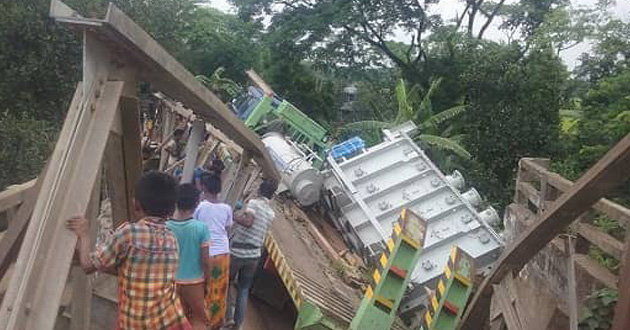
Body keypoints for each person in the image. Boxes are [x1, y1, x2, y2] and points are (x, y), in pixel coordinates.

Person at [66, 171, 191, 330]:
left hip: (135, 324)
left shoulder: (128, 233)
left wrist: (84, 235)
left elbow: (88, 265)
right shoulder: (172, 239)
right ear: (172, 210)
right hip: (169, 320)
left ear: (135, 205)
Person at [226, 179, 277, 329]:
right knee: (243, 289)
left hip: (238, 252)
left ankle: (228, 316)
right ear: (271, 196)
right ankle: (237, 325)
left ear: (260, 191)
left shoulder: (254, 203)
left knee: (226, 283)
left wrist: (233, 216)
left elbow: (248, 222)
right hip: (254, 256)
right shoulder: (271, 214)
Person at [167, 183, 211, 330]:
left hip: (170, 282)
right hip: (194, 283)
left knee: (173, 320)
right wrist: (208, 282)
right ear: (196, 203)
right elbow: (205, 261)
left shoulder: (166, 226)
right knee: (200, 320)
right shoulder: (201, 228)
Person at [194, 174, 233, 330]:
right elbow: (228, 228)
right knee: (219, 288)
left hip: (206, 252)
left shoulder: (201, 207)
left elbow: (195, 227)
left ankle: (199, 321)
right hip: (223, 252)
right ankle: (215, 322)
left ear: (204, 188)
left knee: (202, 286)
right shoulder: (227, 208)